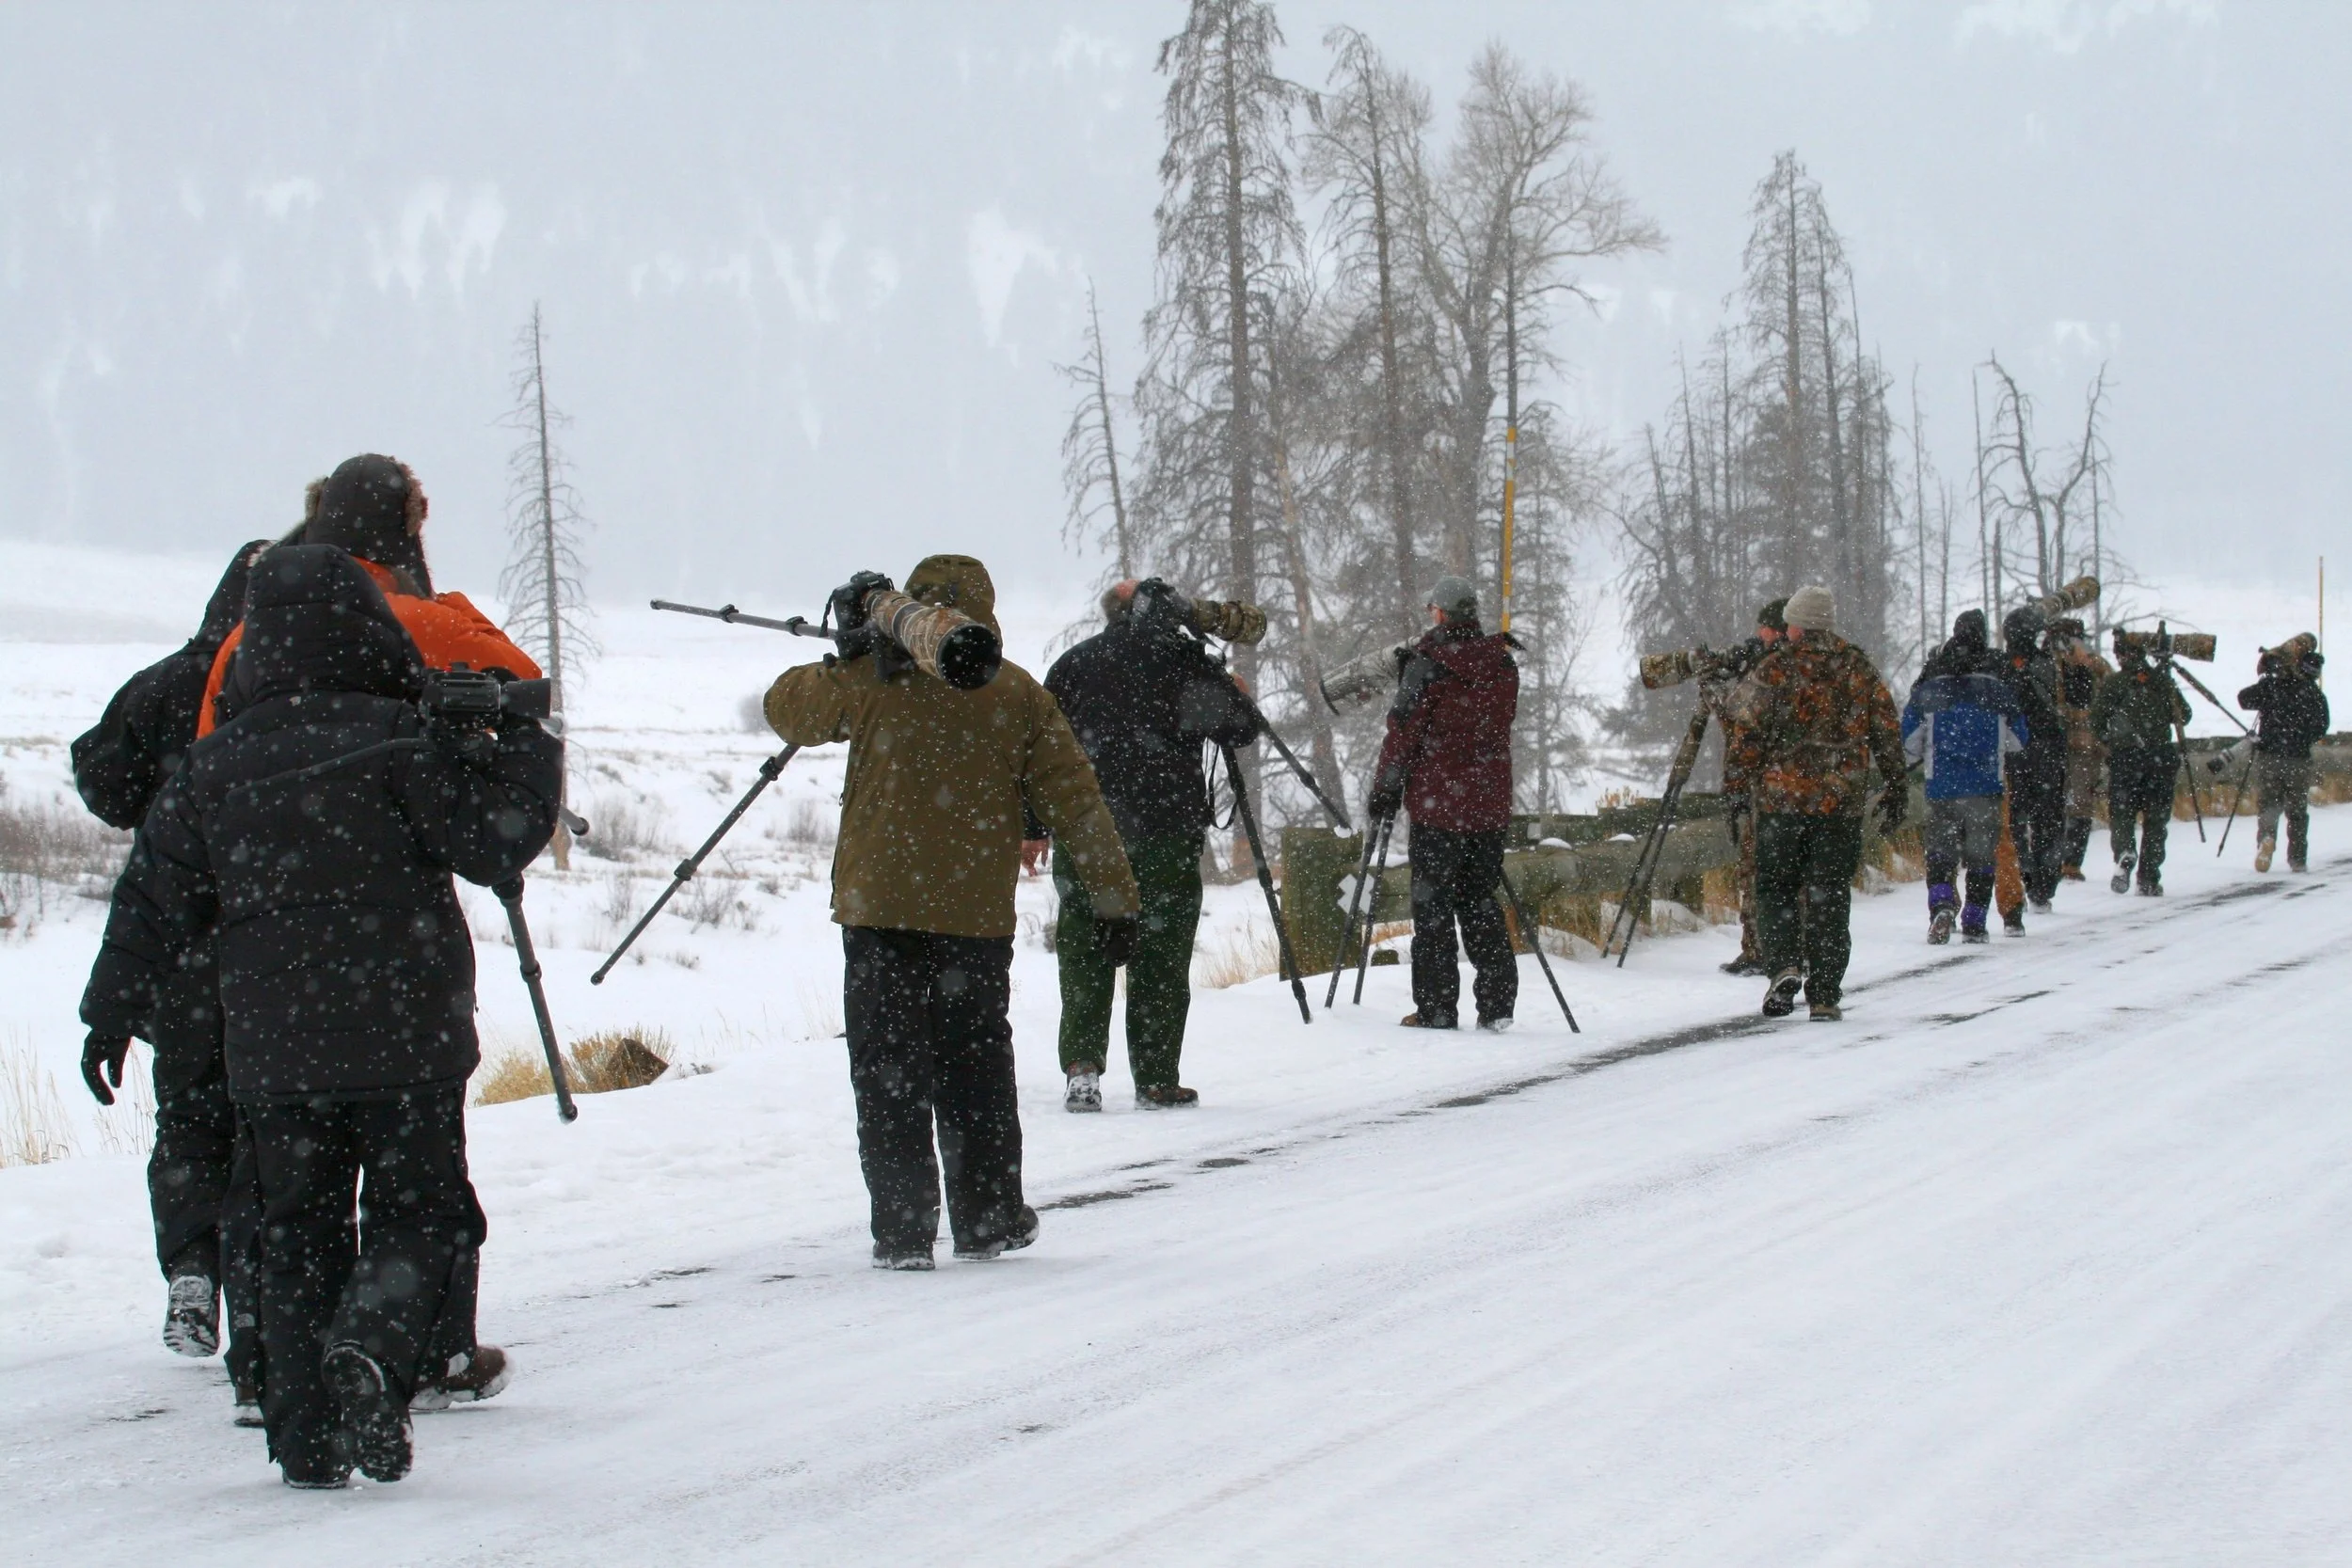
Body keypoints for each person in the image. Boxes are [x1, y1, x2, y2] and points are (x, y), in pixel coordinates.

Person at [83, 546, 562, 1488]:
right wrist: (522, 743)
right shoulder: (403, 740)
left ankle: (306, 1437)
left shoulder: (214, 766)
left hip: (273, 1044)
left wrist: (112, 1011)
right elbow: (495, 843)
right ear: (370, 629)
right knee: (416, 1211)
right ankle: (377, 1352)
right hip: (408, 1032)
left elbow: (151, 898)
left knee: (293, 1227)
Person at [764, 555, 1140, 1269]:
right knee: (976, 1066)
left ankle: (903, 1231)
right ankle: (988, 1217)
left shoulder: (874, 678)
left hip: (879, 911)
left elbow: (785, 707)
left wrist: (848, 649)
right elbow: (1077, 800)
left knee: (886, 1069)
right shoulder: (1016, 692)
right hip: (972, 916)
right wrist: (1115, 898)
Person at [72, 539, 270, 1423]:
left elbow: (100, 774)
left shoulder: (161, 685)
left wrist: (156, 809)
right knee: (274, 1124)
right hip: (273, 944)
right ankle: (265, 1290)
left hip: (182, 948)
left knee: (191, 1115)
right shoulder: (284, 690)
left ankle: (192, 1274)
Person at [1041, 578, 1263, 1112]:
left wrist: (1032, 826)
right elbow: (1241, 730)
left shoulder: (1072, 665)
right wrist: (1233, 692)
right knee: (1161, 955)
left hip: (1086, 829)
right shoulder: (1182, 661)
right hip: (1164, 829)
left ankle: (1082, 1069)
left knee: (1085, 949)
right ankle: (1157, 1077)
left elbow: (1039, 748)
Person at [193, 453, 541, 737]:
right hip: (391, 814)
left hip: (261, 816)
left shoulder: (247, 634)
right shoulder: (430, 623)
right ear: (407, 530)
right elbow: (524, 685)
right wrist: (449, 604)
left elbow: (209, 740)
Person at [1723, 584, 1907, 1022]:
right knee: (1830, 894)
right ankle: (1824, 993)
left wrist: (1735, 785)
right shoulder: (1857, 667)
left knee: (1776, 887)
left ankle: (1784, 965)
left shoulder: (1775, 669)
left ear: (1797, 625)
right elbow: (1885, 727)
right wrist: (1896, 783)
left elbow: (1745, 732)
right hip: (1839, 804)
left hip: (1780, 802)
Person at [1368, 575, 1520, 1033]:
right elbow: (1487, 722)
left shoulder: (1428, 664)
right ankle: (1497, 1006)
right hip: (1488, 805)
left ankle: (1436, 1008)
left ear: (1439, 613)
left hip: (1440, 807)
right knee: (1479, 900)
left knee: (1432, 907)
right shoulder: (1503, 665)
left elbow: (1404, 732)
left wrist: (1385, 790)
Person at [1900, 610, 2026, 944]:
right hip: (1986, 784)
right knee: (1982, 856)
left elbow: (1910, 738)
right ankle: (1975, 920)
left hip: (1941, 784)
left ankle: (1941, 905)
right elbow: (2018, 737)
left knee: (1941, 852)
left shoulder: (1932, 682)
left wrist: (1927, 752)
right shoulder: (1997, 683)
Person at [2090, 630, 2190, 895]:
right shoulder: (2161, 682)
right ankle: (2149, 878)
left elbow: (2097, 722)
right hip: (2160, 761)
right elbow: (2185, 715)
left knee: (2122, 815)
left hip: (2126, 761)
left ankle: (2125, 851)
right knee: (2156, 823)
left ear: (2122, 655)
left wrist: (2111, 743)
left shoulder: (2115, 684)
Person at [1716, 598, 1786, 977]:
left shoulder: (1775, 672)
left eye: (1764, 629)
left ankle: (1766, 948)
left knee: (1760, 869)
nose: (1758, 636)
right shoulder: (1799, 667)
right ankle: (1778, 948)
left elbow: (1742, 729)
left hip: (1768, 788)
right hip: (1795, 791)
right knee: (1778, 872)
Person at [1993, 606, 2066, 931]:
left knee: (2015, 819)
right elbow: (2061, 702)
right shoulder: (2046, 665)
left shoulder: (1998, 668)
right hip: (2045, 752)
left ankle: (2026, 874)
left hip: (2011, 754)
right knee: (2048, 818)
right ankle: (2043, 883)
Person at [2238, 635, 2329, 873]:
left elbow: (2243, 698)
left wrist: (2266, 679)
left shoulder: (2273, 686)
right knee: (2297, 812)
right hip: (2298, 759)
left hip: (2270, 756)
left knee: (2269, 805)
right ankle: (2297, 858)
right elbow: (2322, 725)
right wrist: (2302, 738)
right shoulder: (2314, 695)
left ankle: (2266, 840)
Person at [2048, 618, 2112, 880]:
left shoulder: (2087, 665)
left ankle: (2066, 861)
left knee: (2071, 803)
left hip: (2074, 742)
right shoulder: (2091, 664)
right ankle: (2068, 861)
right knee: (2075, 804)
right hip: (2079, 743)